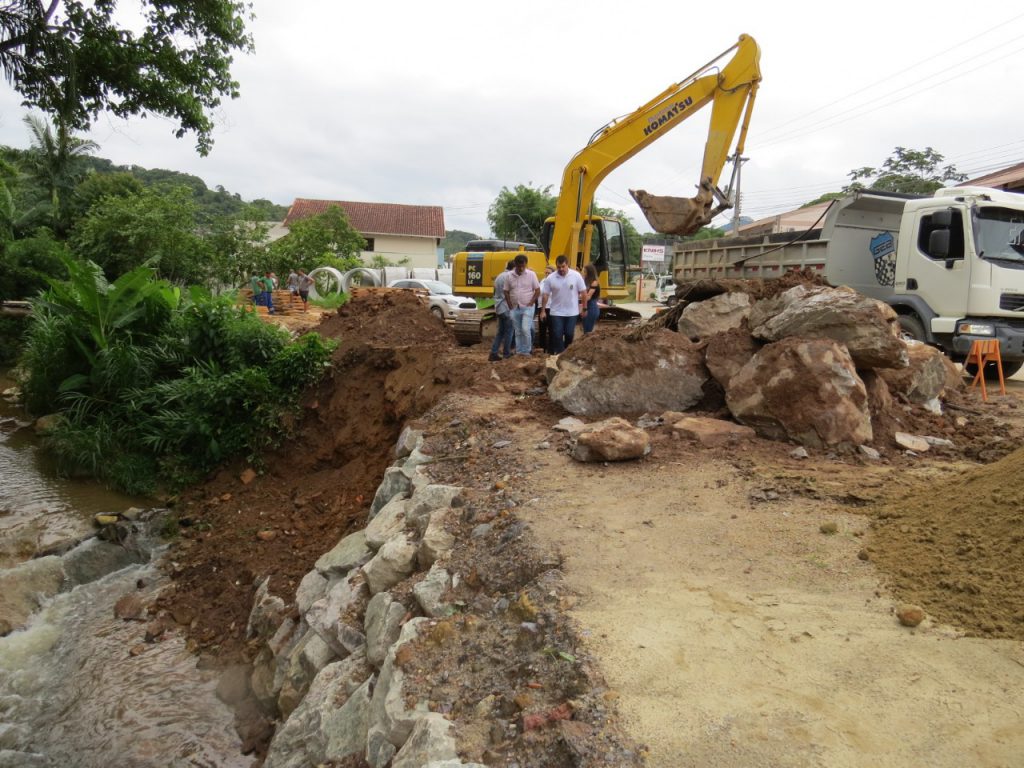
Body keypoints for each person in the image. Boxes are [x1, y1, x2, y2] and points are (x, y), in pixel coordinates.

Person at [540, 255, 587, 354]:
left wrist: (584, 308)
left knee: (569, 334)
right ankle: (561, 354)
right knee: (557, 334)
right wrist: (543, 310)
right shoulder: (550, 278)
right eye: (558, 267)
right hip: (556, 312)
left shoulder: (576, 276)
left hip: (572, 312)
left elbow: (583, 292)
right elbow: (545, 295)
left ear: (567, 265)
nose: (561, 269)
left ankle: (567, 351)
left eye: (563, 266)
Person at [503, 254, 540, 356]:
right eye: (519, 266)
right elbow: (506, 291)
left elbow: (537, 290)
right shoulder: (509, 276)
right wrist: (510, 305)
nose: (521, 268)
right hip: (515, 307)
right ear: (515, 265)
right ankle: (519, 351)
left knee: (525, 329)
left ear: (525, 264)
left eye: (523, 266)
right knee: (518, 331)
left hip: (527, 307)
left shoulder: (531, 275)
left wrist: (531, 302)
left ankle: (526, 351)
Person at [489, 260, 515, 361]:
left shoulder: (499, 276)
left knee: (500, 332)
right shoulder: (510, 277)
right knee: (509, 332)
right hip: (507, 307)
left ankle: (494, 352)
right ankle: (506, 353)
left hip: (499, 307)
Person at [536, 264, 555, 353]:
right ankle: (542, 349)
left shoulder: (554, 282)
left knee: (551, 330)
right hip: (541, 307)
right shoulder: (543, 281)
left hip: (551, 308)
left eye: (549, 273)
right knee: (542, 330)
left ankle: (551, 350)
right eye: (546, 272)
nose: (547, 274)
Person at [582, 263, 601, 335]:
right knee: (585, 330)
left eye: (584, 271)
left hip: (591, 307)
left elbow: (588, 296)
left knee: (587, 331)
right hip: (588, 305)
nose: (583, 273)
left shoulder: (594, 282)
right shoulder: (586, 281)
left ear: (589, 272)